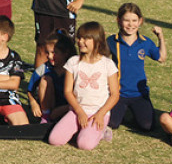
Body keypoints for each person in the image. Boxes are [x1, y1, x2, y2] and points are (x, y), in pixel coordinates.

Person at [48, 21, 119, 150]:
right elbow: (68, 91)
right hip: (77, 110)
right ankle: (80, 130)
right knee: (54, 140)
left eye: (85, 38)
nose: (80, 41)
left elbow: (114, 94)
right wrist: (79, 111)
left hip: (98, 112)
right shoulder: (73, 62)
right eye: (79, 38)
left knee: (84, 145)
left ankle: (101, 132)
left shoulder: (108, 64)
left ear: (97, 41)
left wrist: (101, 114)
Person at [106, 2, 166, 131]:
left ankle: (132, 113)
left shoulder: (145, 42)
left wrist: (160, 37)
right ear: (119, 20)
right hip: (118, 93)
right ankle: (121, 112)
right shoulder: (112, 41)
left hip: (139, 94)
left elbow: (161, 58)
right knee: (112, 124)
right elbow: (100, 61)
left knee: (147, 126)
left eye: (134, 20)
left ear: (140, 21)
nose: (130, 24)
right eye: (126, 20)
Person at [28, 32, 75, 123]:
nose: (49, 56)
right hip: (52, 108)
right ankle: (46, 117)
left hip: (69, 106)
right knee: (46, 80)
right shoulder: (44, 68)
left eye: (54, 53)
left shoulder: (74, 67)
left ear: (65, 53)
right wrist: (33, 103)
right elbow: (30, 90)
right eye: (47, 52)